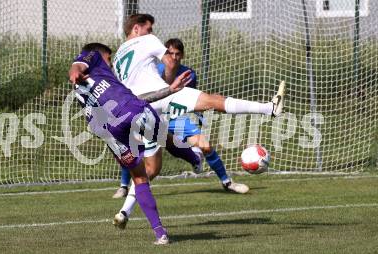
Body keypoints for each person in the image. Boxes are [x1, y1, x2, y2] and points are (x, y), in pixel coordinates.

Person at [112, 14, 285, 230]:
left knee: (151, 169)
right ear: (136, 28)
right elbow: (169, 61)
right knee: (212, 100)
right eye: (149, 29)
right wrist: (171, 84)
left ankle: (124, 212)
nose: (152, 33)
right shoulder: (147, 40)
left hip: (138, 109)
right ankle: (269, 108)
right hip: (162, 96)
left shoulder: (118, 55)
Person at [68, 42, 193, 245]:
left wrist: (169, 90)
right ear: (101, 55)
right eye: (110, 59)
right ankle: (195, 157)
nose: (111, 64)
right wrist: (75, 71)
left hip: (109, 131)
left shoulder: (105, 82)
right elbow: (77, 66)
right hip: (129, 111)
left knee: (140, 179)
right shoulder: (92, 56)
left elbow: (139, 97)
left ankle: (160, 234)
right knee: (164, 138)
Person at [112, 38, 250, 199]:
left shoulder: (189, 73)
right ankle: (123, 186)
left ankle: (227, 182)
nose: (174, 57)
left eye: (178, 54)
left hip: (174, 116)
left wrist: (199, 119)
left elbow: (193, 100)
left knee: (205, 146)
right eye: (171, 53)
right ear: (164, 53)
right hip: (152, 116)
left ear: (182, 55)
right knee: (134, 146)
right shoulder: (154, 70)